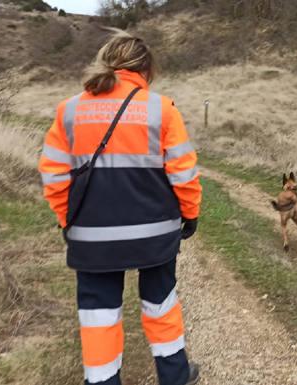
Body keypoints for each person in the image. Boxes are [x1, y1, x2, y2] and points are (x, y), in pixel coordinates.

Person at [38, 29, 202, 385]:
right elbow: (184, 174)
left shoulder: (69, 111)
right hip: (155, 235)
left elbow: (53, 177)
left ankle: (102, 380)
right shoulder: (161, 109)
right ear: (146, 69)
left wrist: (69, 221)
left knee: (98, 317)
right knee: (161, 305)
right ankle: (174, 376)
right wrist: (190, 215)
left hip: (91, 237)